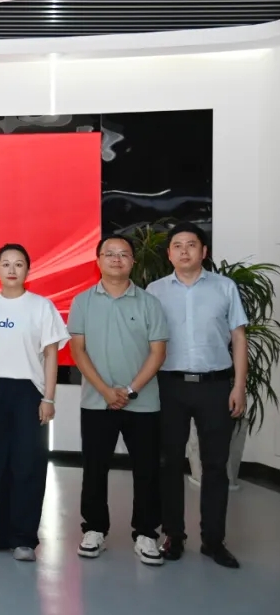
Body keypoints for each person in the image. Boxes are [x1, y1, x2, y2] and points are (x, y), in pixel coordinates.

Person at [146, 222, 247, 568]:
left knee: (215, 465)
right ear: (169, 253)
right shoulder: (155, 291)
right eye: (177, 245)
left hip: (215, 386)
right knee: (169, 463)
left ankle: (213, 541)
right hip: (169, 386)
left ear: (204, 252)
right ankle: (173, 536)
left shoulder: (225, 287)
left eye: (191, 244)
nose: (184, 251)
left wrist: (239, 385)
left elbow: (239, 337)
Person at [68, 234, 168, 566]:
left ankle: (147, 533)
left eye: (123, 254)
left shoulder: (149, 303)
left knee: (147, 470)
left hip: (144, 403)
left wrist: (130, 390)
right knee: (94, 469)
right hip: (96, 402)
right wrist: (106, 391)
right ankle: (94, 529)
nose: (116, 259)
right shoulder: (82, 301)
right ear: (97, 260)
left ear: (132, 261)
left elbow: (158, 352)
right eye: (109, 253)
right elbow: (78, 351)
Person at [0, 244, 69, 562]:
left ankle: (24, 537)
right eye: (5, 264)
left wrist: (48, 397)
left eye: (19, 264)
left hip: (29, 394)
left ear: (28, 270)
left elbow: (52, 355)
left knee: (28, 463)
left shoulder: (41, 307)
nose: (12, 269)